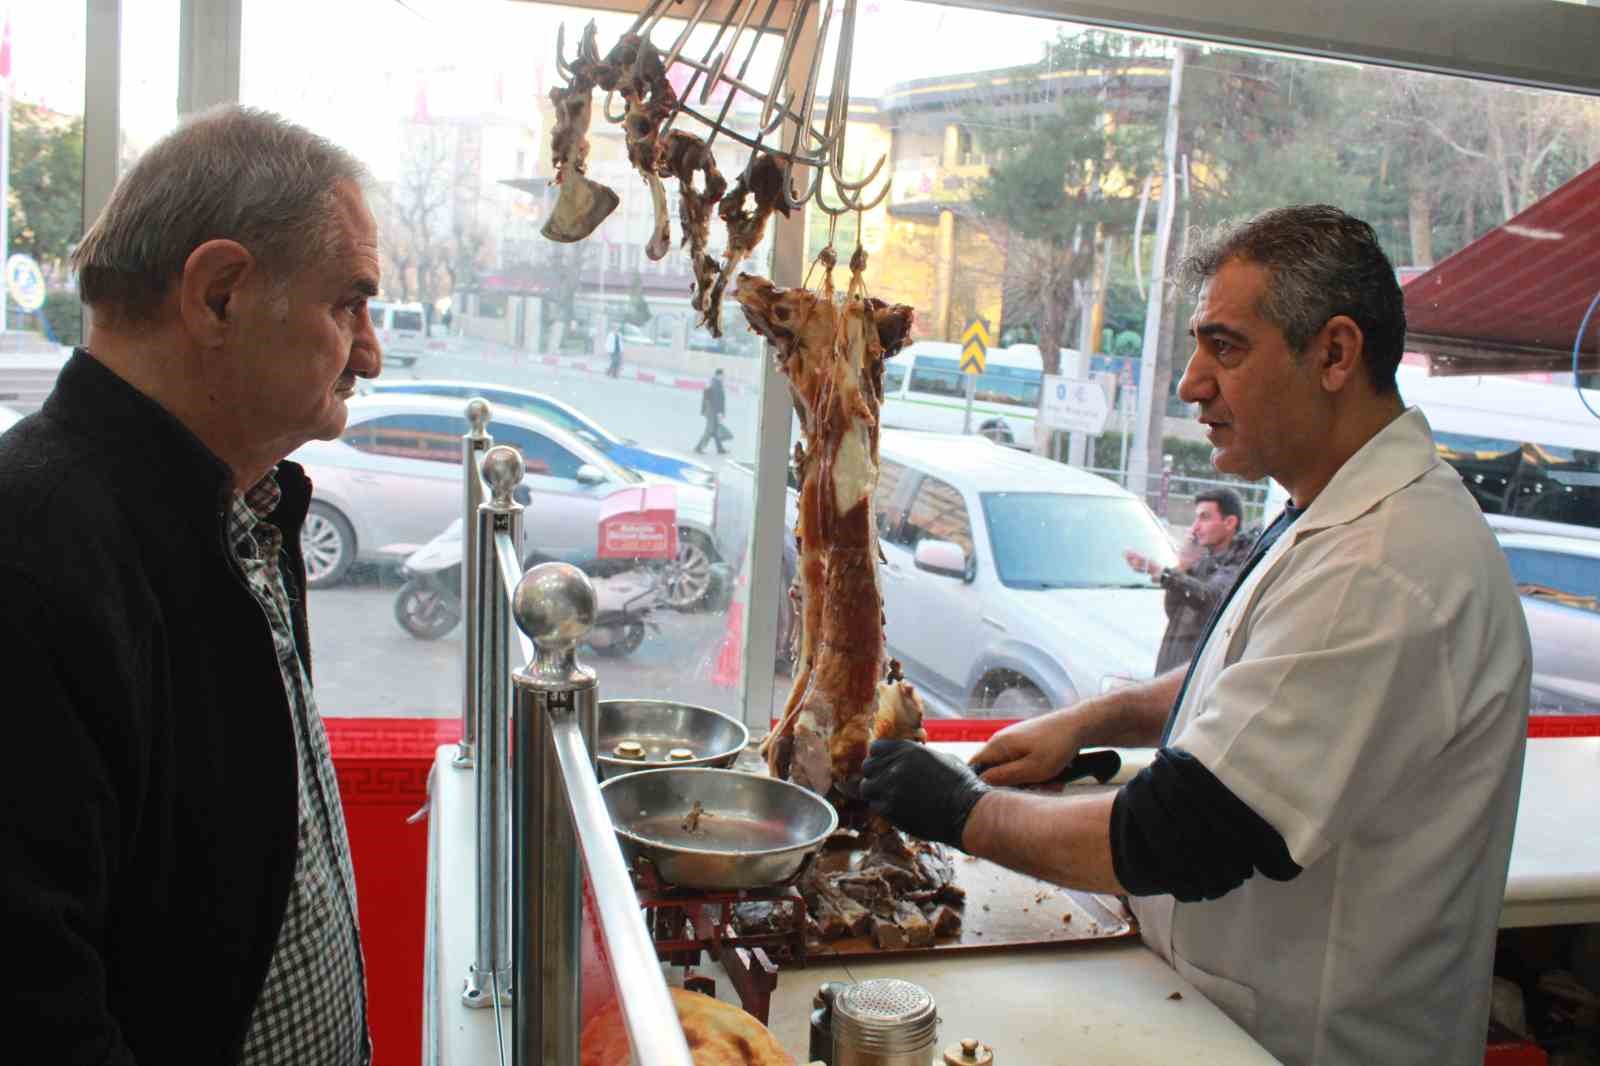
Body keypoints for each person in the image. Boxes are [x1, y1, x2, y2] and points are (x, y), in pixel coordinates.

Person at [861, 205, 1530, 1066]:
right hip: (1216, 1015)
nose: (1191, 383)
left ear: (1334, 353)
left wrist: (959, 809)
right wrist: (1093, 722)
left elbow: (1177, 835)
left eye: (1228, 348)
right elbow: (1262, 677)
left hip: (1306, 1042)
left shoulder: (1386, 565)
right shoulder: (1335, 512)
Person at [0, 106, 381, 1064]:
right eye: (349, 304)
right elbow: (35, 1010)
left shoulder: (241, 508)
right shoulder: (31, 552)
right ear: (219, 295)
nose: (371, 352)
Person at [1126, 487, 1256, 674]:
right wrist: (1183, 565)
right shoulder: (1204, 560)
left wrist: (1162, 573)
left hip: (1195, 676)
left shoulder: (1240, 563)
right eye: (1196, 519)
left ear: (1229, 522)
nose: (1194, 527)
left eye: (1204, 518)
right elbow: (1174, 612)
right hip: (1173, 669)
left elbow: (1210, 598)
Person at [695, 367, 728, 455]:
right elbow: (717, 401)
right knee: (710, 430)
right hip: (713, 412)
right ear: (719, 375)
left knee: (715, 430)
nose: (724, 377)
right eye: (723, 375)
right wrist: (720, 413)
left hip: (713, 411)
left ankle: (720, 449)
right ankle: (699, 447)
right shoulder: (716, 384)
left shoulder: (716, 383)